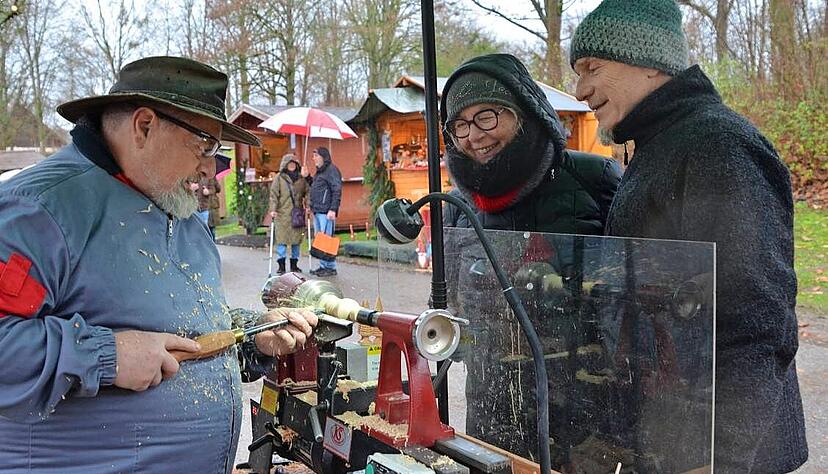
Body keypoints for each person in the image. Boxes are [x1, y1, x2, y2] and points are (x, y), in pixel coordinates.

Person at [0, 56, 318, 473]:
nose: (210, 168)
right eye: (204, 145)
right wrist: (107, 356)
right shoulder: (41, 210)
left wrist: (252, 336)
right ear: (144, 126)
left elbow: (188, 336)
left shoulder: (179, 212)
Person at [570, 0, 808, 471]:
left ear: (650, 62)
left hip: (720, 451)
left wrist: (722, 456)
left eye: (592, 67)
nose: (580, 90)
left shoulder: (715, 144)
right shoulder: (662, 144)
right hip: (673, 432)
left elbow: (758, 316)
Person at [439, 53, 622, 462]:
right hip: (492, 418)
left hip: (589, 421)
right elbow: (452, 311)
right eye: (460, 125)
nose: (474, 135)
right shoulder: (457, 208)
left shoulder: (596, 182)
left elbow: (631, 303)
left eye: (487, 116)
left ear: (523, 113)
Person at [303, 146, 342, 277]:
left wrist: (333, 209)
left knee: (327, 239)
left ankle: (330, 267)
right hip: (318, 209)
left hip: (326, 211)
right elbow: (315, 186)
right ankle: (323, 265)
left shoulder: (331, 170)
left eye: (315, 156)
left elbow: (337, 190)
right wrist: (307, 176)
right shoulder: (321, 172)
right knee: (321, 239)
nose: (313, 158)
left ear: (322, 157)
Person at [269, 153, 309, 274]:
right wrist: (273, 209)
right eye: (289, 164)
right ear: (285, 165)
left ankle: (294, 264)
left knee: (296, 241)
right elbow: (274, 195)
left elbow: (307, 193)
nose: (291, 166)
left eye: (293, 164)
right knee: (282, 240)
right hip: (282, 214)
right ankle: (281, 265)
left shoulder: (302, 178)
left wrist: (307, 206)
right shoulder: (279, 178)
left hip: (297, 214)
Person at [196, 174, 221, 241]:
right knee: (203, 230)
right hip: (199, 207)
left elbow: (217, 189)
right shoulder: (195, 176)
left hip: (210, 206)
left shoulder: (211, 176)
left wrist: (208, 191)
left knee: (211, 229)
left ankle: (212, 245)